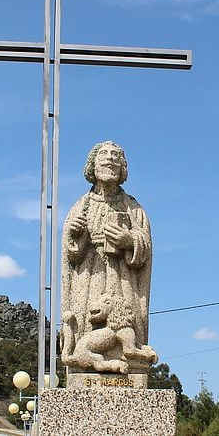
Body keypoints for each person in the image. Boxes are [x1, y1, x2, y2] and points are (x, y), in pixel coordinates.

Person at [60, 141, 154, 373]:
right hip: (89, 278)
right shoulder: (81, 206)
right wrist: (76, 235)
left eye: (115, 155)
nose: (110, 158)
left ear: (123, 168)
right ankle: (84, 362)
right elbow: (70, 255)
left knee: (126, 323)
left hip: (122, 281)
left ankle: (130, 358)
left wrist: (129, 241)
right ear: (93, 165)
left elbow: (145, 248)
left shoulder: (133, 208)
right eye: (104, 154)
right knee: (86, 319)